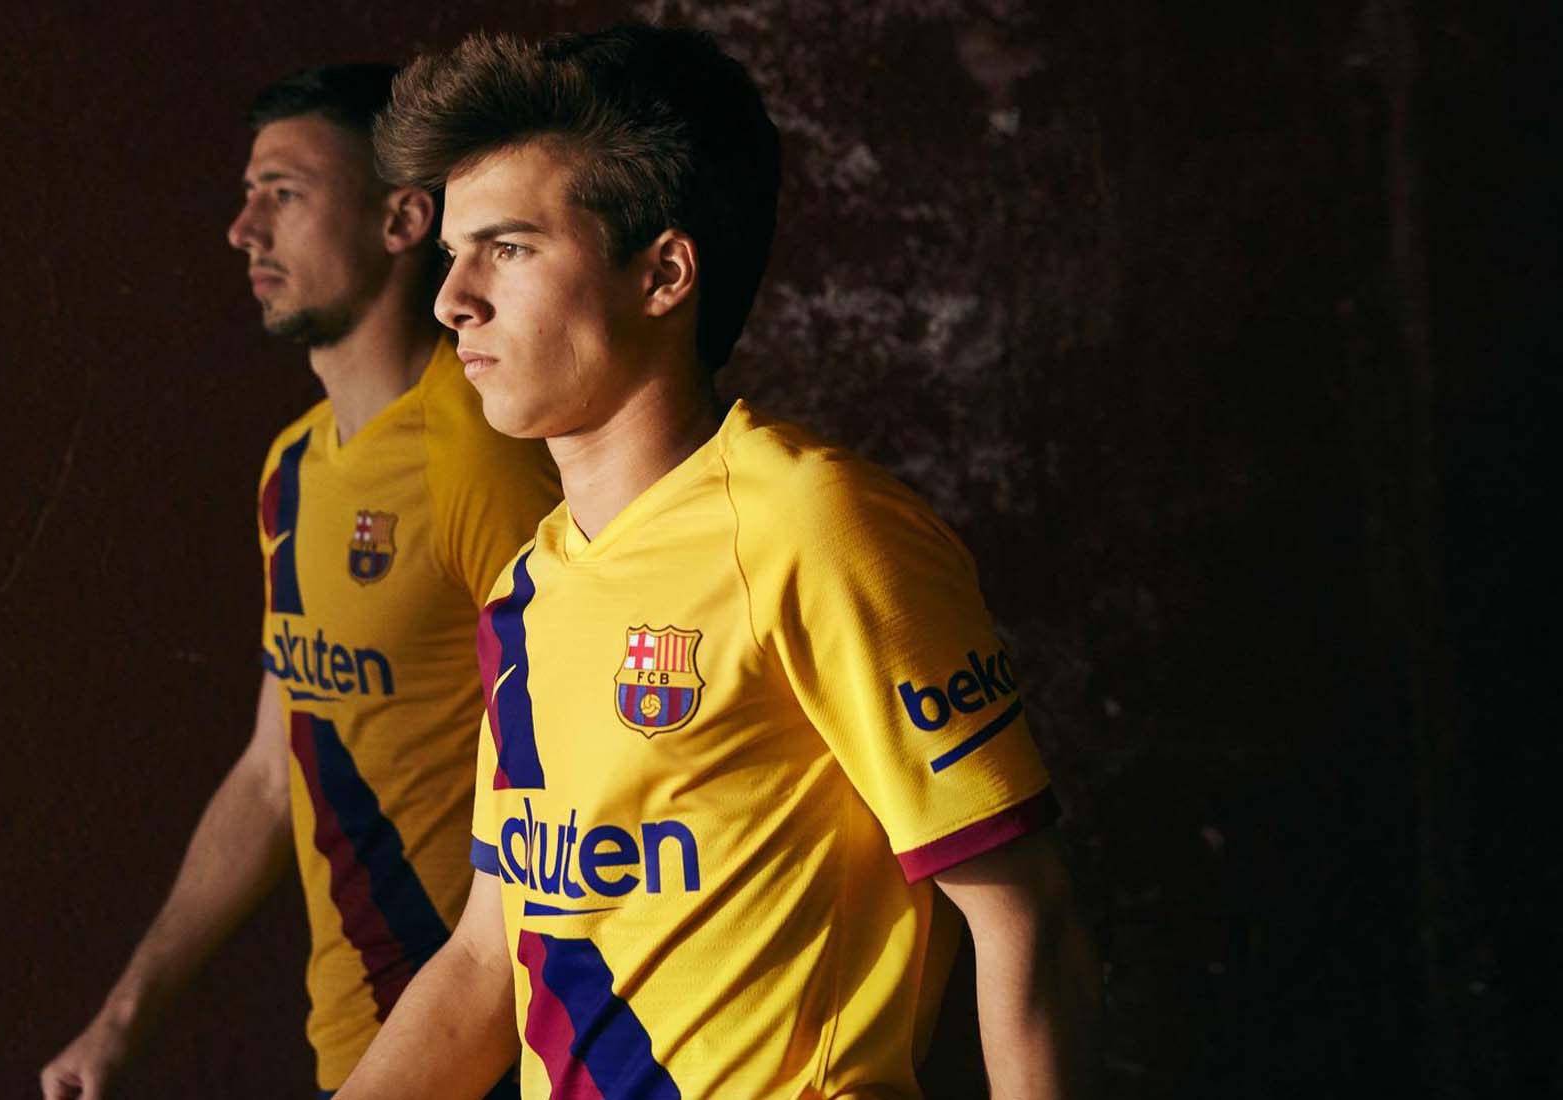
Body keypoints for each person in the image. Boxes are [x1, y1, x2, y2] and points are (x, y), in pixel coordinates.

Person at [333, 24, 1099, 1100]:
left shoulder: (812, 524)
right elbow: (482, 963)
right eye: (455, 252)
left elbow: (1023, 915)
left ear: (663, 273)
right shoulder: (526, 590)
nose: (451, 296)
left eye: (507, 248)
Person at [40, 65, 559, 1100]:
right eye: (248, 196)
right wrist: (120, 1019)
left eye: (284, 192)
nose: (244, 230)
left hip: (482, 1052)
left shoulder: (482, 453)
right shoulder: (291, 469)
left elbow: (578, 771)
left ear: (402, 219)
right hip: (350, 1043)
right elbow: (269, 777)